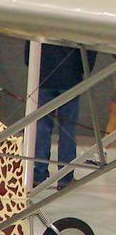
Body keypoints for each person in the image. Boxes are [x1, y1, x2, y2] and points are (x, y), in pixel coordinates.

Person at [30, 43, 96, 188]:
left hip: (43, 76)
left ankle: (38, 175)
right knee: (68, 130)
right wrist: (82, 70)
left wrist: (35, 68)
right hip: (70, 79)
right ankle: (65, 179)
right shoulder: (79, 22)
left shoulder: (42, 21)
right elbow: (89, 51)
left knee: (42, 128)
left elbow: (29, 47)